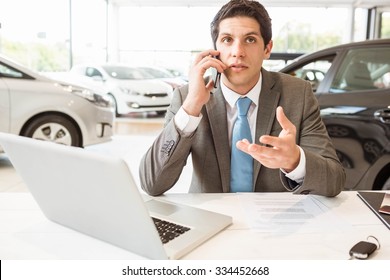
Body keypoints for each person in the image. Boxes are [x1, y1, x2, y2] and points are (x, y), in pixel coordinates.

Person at [139, 0, 345, 197]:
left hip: (275, 221)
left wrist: (295, 161)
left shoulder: (297, 94)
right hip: (211, 217)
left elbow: (334, 180)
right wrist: (191, 107)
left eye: (250, 39)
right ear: (215, 51)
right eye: (227, 40)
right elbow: (152, 184)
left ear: (267, 49)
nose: (238, 52)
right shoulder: (187, 96)